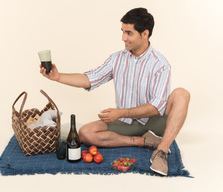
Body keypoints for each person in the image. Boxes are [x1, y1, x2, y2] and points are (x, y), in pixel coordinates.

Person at [40, 8, 190, 176]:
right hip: (125, 122)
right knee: (85, 133)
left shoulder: (160, 64)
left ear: (145, 34)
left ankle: (161, 150)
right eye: (122, 32)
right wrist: (58, 77)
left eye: (129, 33)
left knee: (182, 94)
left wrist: (120, 113)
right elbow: (91, 78)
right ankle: (145, 141)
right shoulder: (117, 59)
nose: (123, 38)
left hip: (155, 121)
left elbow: (157, 107)